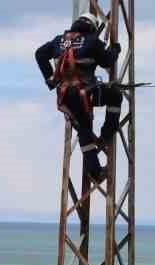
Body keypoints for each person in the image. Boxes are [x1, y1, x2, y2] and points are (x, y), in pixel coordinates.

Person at [34, 15, 122, 184]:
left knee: (84, 129)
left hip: (65, 97)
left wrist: (50, 80)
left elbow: (39, 54)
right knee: (115, 96)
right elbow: (107, 62)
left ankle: (95, 172)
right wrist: (116, 49)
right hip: (85, 93)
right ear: (91, 27)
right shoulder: (92, 41)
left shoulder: (59, 40)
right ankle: (108, 132)